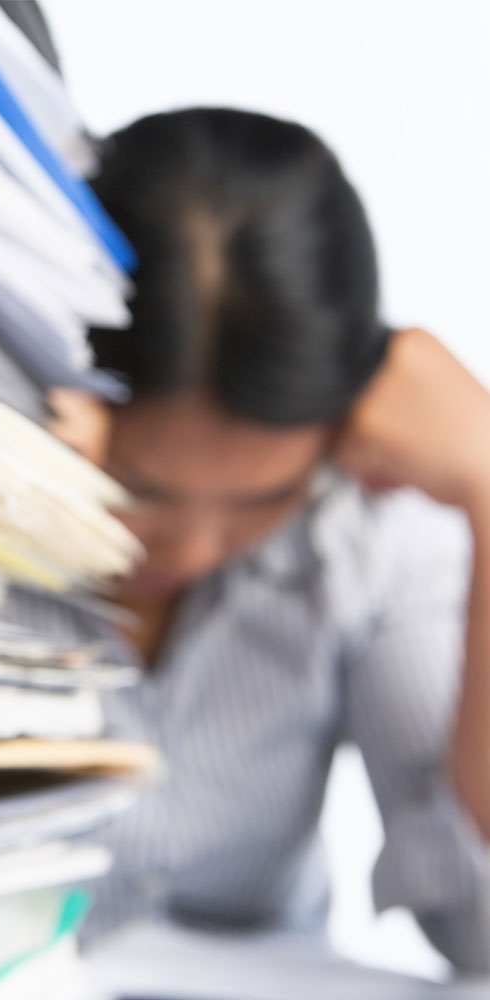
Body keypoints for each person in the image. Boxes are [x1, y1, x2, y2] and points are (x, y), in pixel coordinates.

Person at [49, 107, 490, 972]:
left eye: (263, 498)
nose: (191, 549)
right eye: (136, 488)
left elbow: (481, 929)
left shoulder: (368, 526)